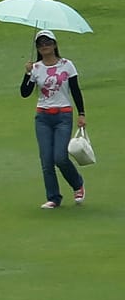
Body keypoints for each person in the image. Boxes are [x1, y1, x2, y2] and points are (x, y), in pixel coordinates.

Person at [21, 30, 87, 208]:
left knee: (60, 157)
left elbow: (75, 90)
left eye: (48, 42)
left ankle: (77, 183)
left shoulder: (67, 65)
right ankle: (53, 197)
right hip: (43, 117)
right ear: (37, 48)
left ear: (55, 44)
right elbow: (25, 93)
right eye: (41, 43)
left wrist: (81, 113)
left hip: (63, 115)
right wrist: (27, 74)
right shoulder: (36, 68)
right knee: (46, 160)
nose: (45, 46)